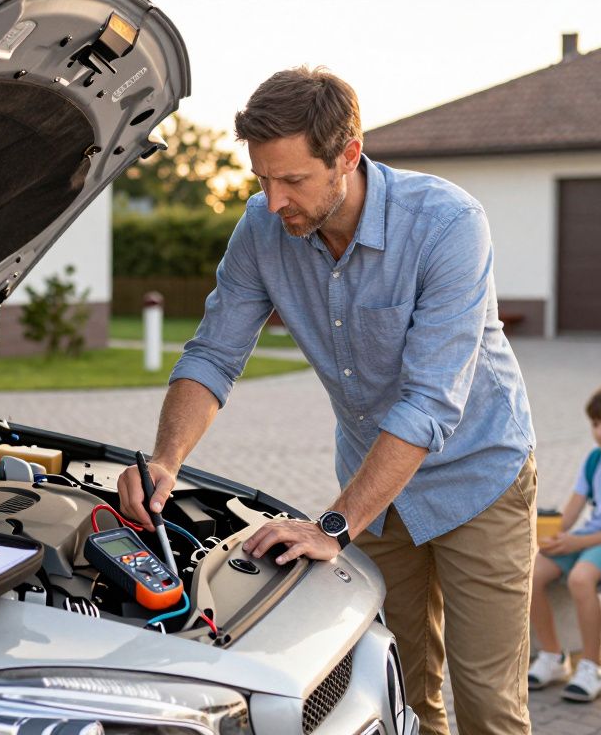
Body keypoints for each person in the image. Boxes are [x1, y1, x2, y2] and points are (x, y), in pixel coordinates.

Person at [117, 66, 536, 734]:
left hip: (477, 478)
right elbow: (214, 353)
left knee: (487, 705)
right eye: (262, 178)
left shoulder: (448, 225)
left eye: (292, 180)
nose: (273, 200)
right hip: (377, 488)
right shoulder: (262, 229)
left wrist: (334, 526)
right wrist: (166, 461)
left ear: (348, 156)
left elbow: (429, 402)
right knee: (402, 689)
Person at [528, 379, 601, 702]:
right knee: (532, 573)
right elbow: (572, 510)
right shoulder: (595, 460)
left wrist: (578, 543)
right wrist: (550, 539)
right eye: (596, 424)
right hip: (589, 535)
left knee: (581, 579)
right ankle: (553, 656)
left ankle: (594, 667)